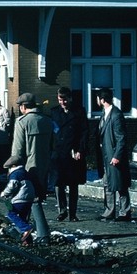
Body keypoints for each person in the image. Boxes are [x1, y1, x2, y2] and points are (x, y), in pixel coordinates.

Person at [5, 92, 53, 245]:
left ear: (24, 106)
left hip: (27, 167)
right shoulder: (47, 121)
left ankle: (38, 234)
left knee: (27, 199)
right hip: (44, 165)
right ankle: (30, 233)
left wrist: (11, 168)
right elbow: (54, 144)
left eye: (20, 106)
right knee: (36, 196)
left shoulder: (22, 122)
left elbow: (17, 151)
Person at [50, 87, 88, 221]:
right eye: (60, 99)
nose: (63, 102)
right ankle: (62, 210)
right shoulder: (54, 112)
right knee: (58, 184)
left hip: (73, 153)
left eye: (65, 99)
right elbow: (51, 133)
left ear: (70, 98)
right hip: (58, 153)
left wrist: (80, 150)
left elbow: (84, 133)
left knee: (73, 184)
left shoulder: (79, 112)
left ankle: (73, 213)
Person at [96, 88, 132, 221]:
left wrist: (117, 155)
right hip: (106, 156)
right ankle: (109, 211)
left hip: (113, 156)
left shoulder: (116, 115)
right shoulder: (104, 113)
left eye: (98, 98)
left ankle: (125, 211)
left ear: (102, 99)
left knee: (120, 184)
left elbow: (121, 137)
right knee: (108, 184)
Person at [0, 160, 35, 245]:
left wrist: (4, 193)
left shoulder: (16, 173)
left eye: (9, 168)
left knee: (11, 214)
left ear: (13, 166)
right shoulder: (24, 172)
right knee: (22, 218)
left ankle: (26, 229)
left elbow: (12, 185)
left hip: (20, 198)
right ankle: (27, 240)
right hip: (29, 199)